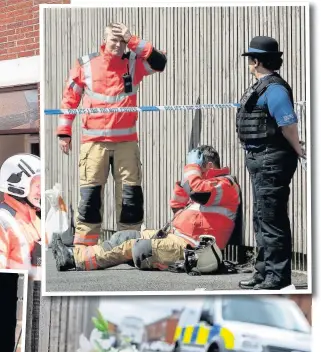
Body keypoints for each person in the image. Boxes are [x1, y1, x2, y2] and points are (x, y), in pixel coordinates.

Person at [57, 22, 167, 247]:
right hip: (94, 143)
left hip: (126, 142)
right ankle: (84, 249)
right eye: (114, 40)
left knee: (130, 196)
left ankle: (129, 246)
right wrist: (64, 132)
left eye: (122, 41)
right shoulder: (85, 64)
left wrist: (133, 39)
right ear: (104, 40)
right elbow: (70, 98)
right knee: (90, 196)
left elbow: (160, 62)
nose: (118, 44)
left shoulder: (134, 64)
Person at [52, 145, 240, 274]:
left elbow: (199, 194)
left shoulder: (226, 184)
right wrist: (186, 181)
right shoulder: (200, 182)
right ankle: (74, 256)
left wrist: (191, 170)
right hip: (174, 237)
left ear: (207, 166)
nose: (194, 171)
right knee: (123, 237)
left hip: (192, 249)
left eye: (198, 167)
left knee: (135, 248)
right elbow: (176, 206)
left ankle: (74, 260)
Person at [236, 36, 306, 290]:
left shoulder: (274, 88)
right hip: (259, 158)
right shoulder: (261, 86)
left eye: (250, 60)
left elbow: (287, 123)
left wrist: (297, 147)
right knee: (261, 216)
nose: (249, 64)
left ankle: (277, 276)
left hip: (271, 158)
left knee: (271, 218)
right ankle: (263, 271)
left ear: (255, 61)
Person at [0, 154, 41, 279]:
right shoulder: (3, 220)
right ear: (18, 187)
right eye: (38, 186)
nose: (41, 191)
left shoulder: (34, 217)